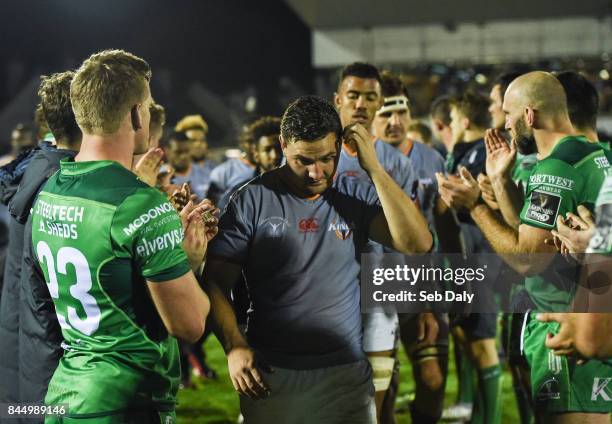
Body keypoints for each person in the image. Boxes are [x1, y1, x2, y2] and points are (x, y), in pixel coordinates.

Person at [203, 95, 432, 424]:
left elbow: (417, 243)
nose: (316, 172)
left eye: (327, 158)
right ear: (283, 145)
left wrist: (374, 168)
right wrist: (235, 346)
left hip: (347, 374)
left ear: (339, 145)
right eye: (303, 160)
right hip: (272, 374)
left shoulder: (355, 195)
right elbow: (215, 282)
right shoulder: (250, 200)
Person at [31, 49, 212, 423]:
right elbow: (190, 324)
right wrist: (191, 264)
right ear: (135, 113)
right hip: (125, 401)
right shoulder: (139, 203)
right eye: (147, 105)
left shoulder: (50, 190)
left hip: (65, 393)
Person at [439, 71, 612, 423]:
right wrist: (502, 182)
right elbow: (536, 236)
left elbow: (527, 260)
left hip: (566, 333)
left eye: (508, 113)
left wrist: (475, 206)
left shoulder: (554, 170)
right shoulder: (596, 153)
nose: (504, 123)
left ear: (529, 116)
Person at [372, 70, 450, 424]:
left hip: (423, 281)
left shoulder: (431, 160)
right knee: (381, 389)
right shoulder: (355, 162)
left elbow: (443, 226)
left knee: (433, 379)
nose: (395, 122)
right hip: (375, 284)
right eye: (385, 114)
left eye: (400, 112)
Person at [440, 88, 503, 424]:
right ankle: (478, 414)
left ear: (463, 120)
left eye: (452, 119)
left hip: (483, 258)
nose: (450, 124)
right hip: (467, 259)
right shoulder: (466, 152)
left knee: (483, 341)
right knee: (469, 337)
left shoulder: (483, 155)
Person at [175, 114, 217, 196]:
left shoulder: (216, 169)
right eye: (193, 140)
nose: (199, 144)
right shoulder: (169, 174)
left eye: (202, 140)